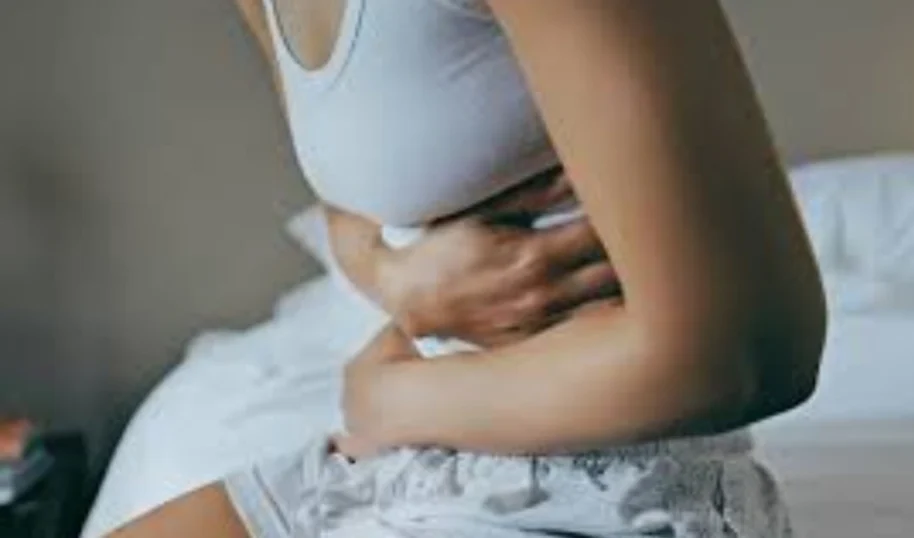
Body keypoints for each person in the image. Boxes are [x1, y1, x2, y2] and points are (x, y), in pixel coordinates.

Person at [107, 0, 827, 536]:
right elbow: (350, 198)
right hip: (420, 461)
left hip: (610, 487)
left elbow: (754, 352)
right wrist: (397, 280)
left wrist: (390, 400)